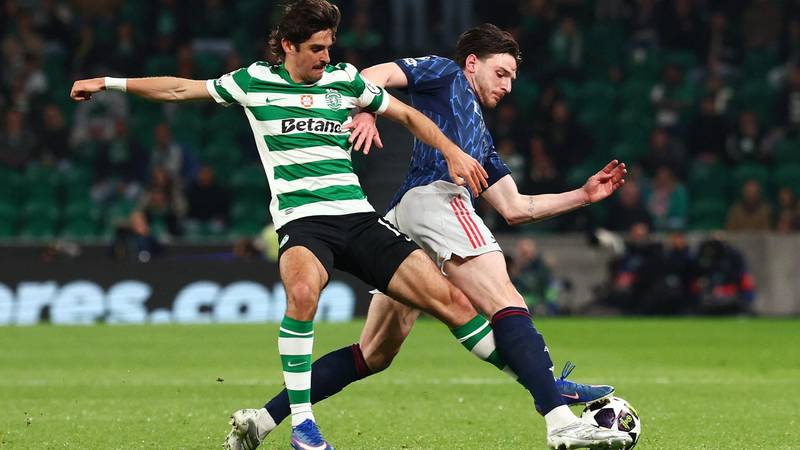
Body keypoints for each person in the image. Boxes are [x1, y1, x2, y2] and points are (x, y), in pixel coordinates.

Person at [71, 3, 631, 450]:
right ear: (289, 46)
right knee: (320, 294)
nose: (326, 56)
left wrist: (582, 195)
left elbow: (507, 200)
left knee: (385, 348)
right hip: (347, 215)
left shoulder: (414, 107)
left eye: (329, 47)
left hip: (366, 220)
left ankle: (260, 422)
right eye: (317, 48)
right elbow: (180, 88)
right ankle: (549, 404)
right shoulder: (264, 81)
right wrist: (110, 82)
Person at [224, 22, 631, 450]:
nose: (508, 86)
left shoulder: (480, 140)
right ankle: (557, 412)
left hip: (402, 217)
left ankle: (261, 420)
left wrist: (582, 196)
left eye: (512, 78)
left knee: (373, 353)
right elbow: (376, 75)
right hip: (436, 199)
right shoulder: (446, 73)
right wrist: (366, 109)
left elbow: (516, 207)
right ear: (472, 63)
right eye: (501, 73)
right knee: (505, 298)